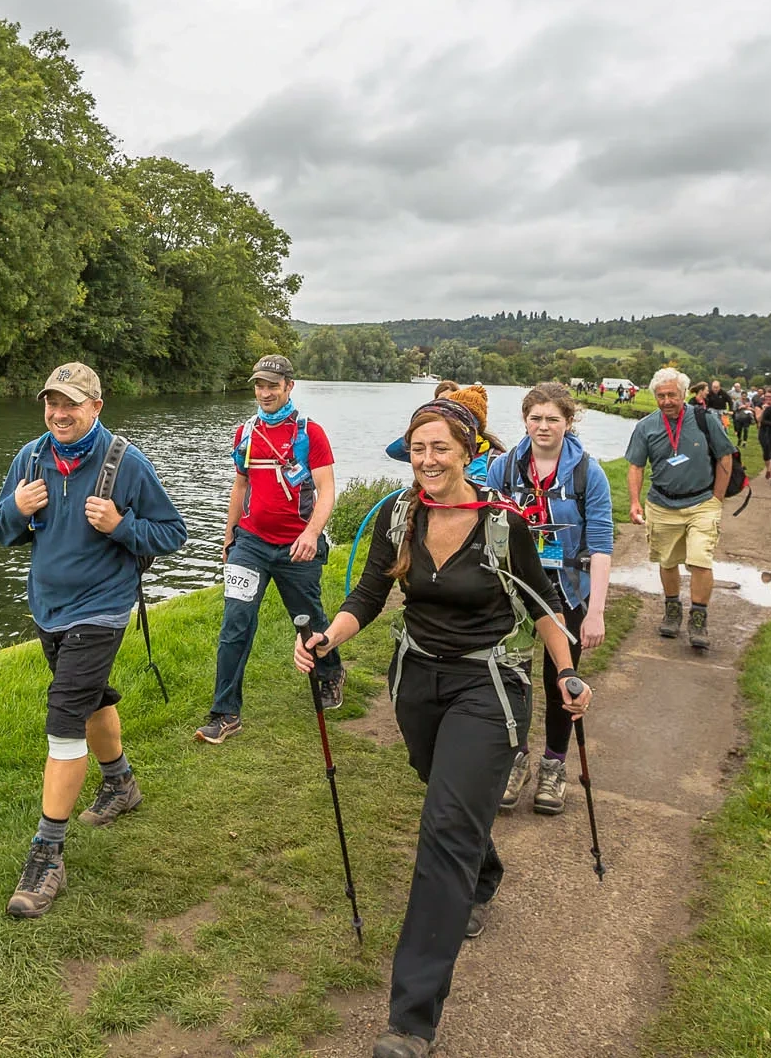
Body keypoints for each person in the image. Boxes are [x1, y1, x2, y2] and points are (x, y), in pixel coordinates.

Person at [296, 398, 589, 1058]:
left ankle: (410, 1022)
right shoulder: (400, 516)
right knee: (447, 797)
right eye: (418, 448)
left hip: (488, 687)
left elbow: (546, 610)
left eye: (441, 449)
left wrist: (568, 674)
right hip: (418, 684)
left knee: (444, 829)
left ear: (468, 451)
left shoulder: (503, 522)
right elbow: (369, 595)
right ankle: (483, 874)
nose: (428, 460)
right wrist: (327, 637)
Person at [0, 362, 190, 918]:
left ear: (96, 407)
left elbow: (173, 532)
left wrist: (120, 526)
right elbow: (1, 531)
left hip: (102, 609)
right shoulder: (30, 459)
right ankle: (121, 784)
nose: (59, 413)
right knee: (91, 696)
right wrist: (17, 509)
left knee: (63, 718)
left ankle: (47, 854)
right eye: (52, 403)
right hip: (48, 608)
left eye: (71, 404)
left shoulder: (126, 463)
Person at [483, 382, 614, 815]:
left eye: (552, 419)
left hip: (569, 591)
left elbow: (601, 544)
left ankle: (554, 766)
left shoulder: (587, 473)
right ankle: (515, 758)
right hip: (516, 589)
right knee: (512, 677)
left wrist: (595, 612)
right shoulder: (504, 468)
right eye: (535, 418)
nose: (543, 426)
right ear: (525, 420)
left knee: (561, 676)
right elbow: (486, 528)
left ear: (568, 422)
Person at [198, 354, 342, 745]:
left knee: (309, 618)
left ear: (289, 387)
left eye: (272, 386)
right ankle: (225, 712)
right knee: (235, 624)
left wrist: (312, 534)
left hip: (299, 547)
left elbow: (327, 491)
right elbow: (240, 487)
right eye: (259, 386)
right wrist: (229, 537)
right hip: (252, 545)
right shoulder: (245, 433)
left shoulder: (310, 433)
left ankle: (330, 674)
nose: (264, 393)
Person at [626, 366, 734, 652]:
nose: (666, 401)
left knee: (700, 559)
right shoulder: (646, 427)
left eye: (672, 395)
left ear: (684, 394)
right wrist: (635, 502)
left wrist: (717, 499)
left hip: (702, 503)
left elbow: (726, 456)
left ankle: (698, 619)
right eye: (660, 396)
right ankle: (672, 610)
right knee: (667, 560)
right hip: (662, 504)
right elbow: (636, 466)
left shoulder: (706, 420)